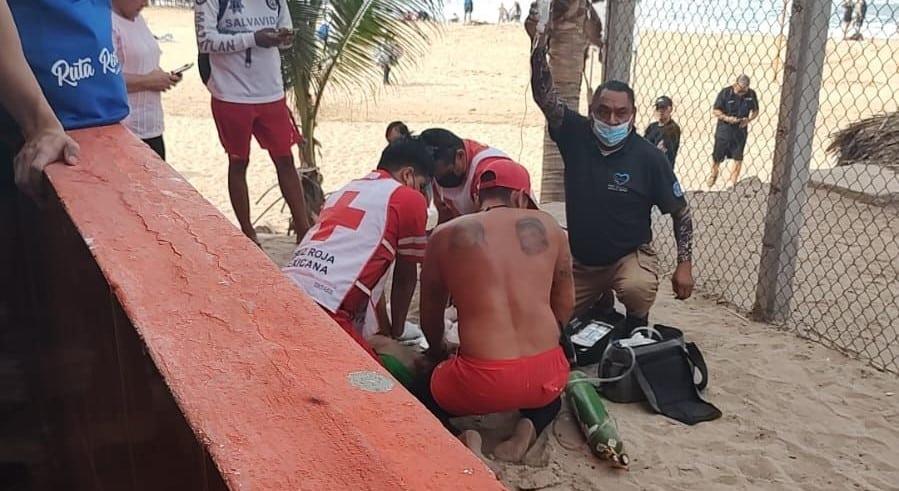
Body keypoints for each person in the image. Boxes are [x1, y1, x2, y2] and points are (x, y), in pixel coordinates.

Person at [527, 14, 694, 329]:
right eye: (604, 112)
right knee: (550, 322)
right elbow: (544, 97)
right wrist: (539, 46)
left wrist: (684, 264)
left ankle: (636, 323)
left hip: (627, 257)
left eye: (621, 113)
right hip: (582, 261)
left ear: (633, 115)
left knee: (636, 288)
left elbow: (681, 213)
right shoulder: (575, 133)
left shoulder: (649, 157)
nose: (612, 120)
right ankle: (600, 302)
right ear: (592, 111)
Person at [415, 160, 573, 463]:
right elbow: (564, 304)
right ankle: (525, 431)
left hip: (479, 383)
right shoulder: (551, 227)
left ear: (477, 198)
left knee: (421, 391)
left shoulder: (445, 234)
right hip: (545, 375)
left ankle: (465, 437)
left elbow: (430, 318)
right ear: (520, 197)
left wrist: (439, 351)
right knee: (552, 394)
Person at [283, 138, 432, 359]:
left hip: (285, 289)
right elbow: (405, 277)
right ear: (408, 175)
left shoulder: (348, 188)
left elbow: (371, 277)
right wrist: (397, 332)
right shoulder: (408, 198)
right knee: (387, 378)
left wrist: (384, 330)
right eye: (422, 185)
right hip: (327, 308)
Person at [195, 0, 310, 246]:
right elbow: (206, 41)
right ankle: (248, 234)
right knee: (238, 161)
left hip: (271, 91)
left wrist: (284, 38)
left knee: (285, 160)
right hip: (231, 93)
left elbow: (286, 35)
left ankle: (304, 230)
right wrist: (253, 38)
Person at [113, 0, 182, 160]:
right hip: (127, 128)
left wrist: (163, 77)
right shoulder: (108, 24)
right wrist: (148, 81)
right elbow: (104, 79)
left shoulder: (138, 19)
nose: (146, 3)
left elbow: (143, 62)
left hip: (152, 125)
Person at [418, 128, 529, 223]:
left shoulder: (490, 174)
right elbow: (446, 222)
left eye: (445, 175)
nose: (439, 181)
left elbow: (497, 223)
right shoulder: (436, 170)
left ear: (460, 156)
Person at [709, 74, 758, 188]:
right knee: (717, 155)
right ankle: (714, 173)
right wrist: (727, 118)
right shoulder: (725, 93)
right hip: (724, 129)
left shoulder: (751, 94)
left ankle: (733, 182)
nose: (742, 93)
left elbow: (755, 110)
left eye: (745, 90)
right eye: (740, 90)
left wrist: (749, 120)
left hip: (740, 130)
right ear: (735, 84)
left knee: (738, 157)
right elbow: (716, 110)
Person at [643, 95, 681, 168]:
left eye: (664, 108)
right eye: (658, 108)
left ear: (670, 109)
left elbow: (662, 151)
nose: (660, 110)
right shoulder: (652, 127)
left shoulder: (672, 128)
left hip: (662, 169)